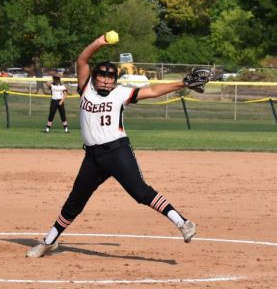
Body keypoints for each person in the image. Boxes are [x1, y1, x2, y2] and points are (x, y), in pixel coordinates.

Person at [27, 33, 211, 258]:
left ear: (115, 79)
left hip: (117, 151)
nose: (106, 80)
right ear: (94, 78)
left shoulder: (121, 93)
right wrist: (98, 42)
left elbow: (153, 91)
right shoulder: (85, 89)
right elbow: (82, 60)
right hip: (93, 157)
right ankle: (49, 241)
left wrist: (182, 83)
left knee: (140, 192)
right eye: (102, 76)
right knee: (75, 201)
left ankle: (183, 223)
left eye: (110, 77)